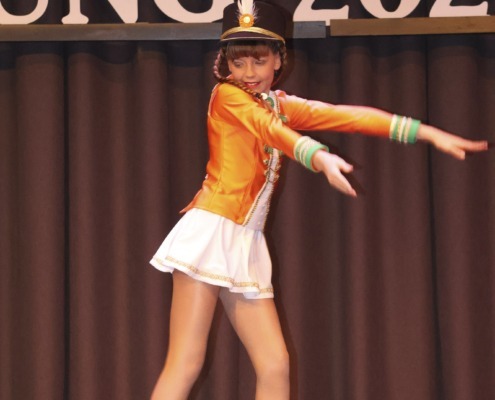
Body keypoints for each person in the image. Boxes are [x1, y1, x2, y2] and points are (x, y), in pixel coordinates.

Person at [149, 1, 488, 399]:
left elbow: (345, 116)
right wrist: (318, 156)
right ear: (226, 64)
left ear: (279, 59)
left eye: (259, 61)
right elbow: (269, 130)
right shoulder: (227, 96)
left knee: (275, 365)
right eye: (238, 63)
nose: (248, 73)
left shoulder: (279, 105)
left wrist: (426, 133)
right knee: (186, 361)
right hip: (210, 231)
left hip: (243, 240)